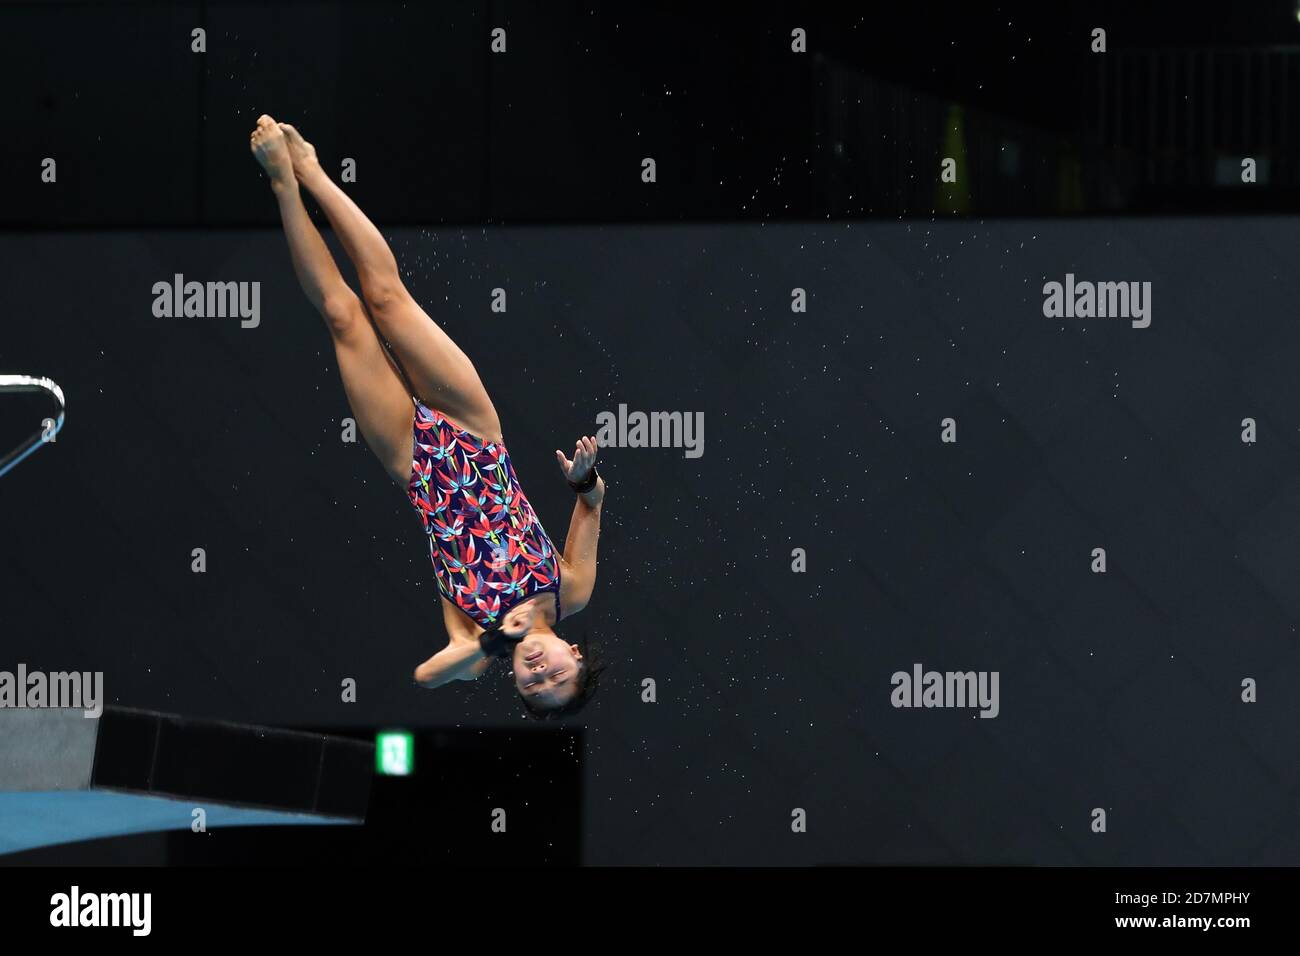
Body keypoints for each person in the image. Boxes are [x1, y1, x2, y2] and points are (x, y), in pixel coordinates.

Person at [249, 115, 606, 717]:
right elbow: (593, 502)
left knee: (344, 316)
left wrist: (495, 639)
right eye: (558, 677)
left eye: (530, 688)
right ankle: (312, 167)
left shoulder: (473, 646)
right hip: (476, 433)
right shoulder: (573, 592)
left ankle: (284, 184)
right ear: (573, 652)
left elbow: (426, 677)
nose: (539, 674)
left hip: (413, 466)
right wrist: (583, 480)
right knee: (386, 298)